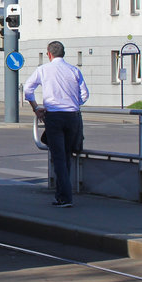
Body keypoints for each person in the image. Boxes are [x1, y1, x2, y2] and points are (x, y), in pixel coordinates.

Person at [24, 41, 89, 207]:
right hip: (72, 116)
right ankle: (61, 194)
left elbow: (28, 89)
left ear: (49, 54)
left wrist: (36, 108)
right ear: (64, 53)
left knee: (59, 158)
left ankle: (65, 197)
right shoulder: (74, 70)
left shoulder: (43, 70)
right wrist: (73, 102)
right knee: (67, 155)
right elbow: (84, 94)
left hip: (54, 116)